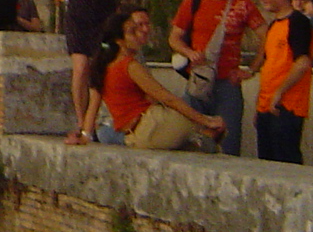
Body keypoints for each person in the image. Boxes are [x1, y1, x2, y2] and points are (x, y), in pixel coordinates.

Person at [81, 9, 226, 149]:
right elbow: (165, 97)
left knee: (194, 129)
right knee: (200, 115)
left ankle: (202, 137)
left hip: (135, 134)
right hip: (150, 127)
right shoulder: (129, 65)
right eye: (133, 32)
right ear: (119, 41)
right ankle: (204, 134)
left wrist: (85, 136)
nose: (140, 34)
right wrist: (205, 120)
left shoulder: (103, 66)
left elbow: (92, 107)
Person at [168, 0, 265, 156]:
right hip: (198, 81)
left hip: (227, 84)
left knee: (228, 145)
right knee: (190, 141)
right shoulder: (192, 2)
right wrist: (190, 52)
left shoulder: (243, 5)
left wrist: (252, 69)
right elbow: (174, 38)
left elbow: (267, 37)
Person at [52, 0, 131, 145]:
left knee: (100, 66)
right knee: (80, 68)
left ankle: (101, 117)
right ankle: (81, 120)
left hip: (103, 14)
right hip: (77, 14)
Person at [248, 0, 313, 164]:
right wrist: (260, 105)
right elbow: (270, 66)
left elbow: (302, 62)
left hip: (287, 107)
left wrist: (279, 92)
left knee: (286, 163)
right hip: (267, 107)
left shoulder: (298, 23)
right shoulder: (274, 26)